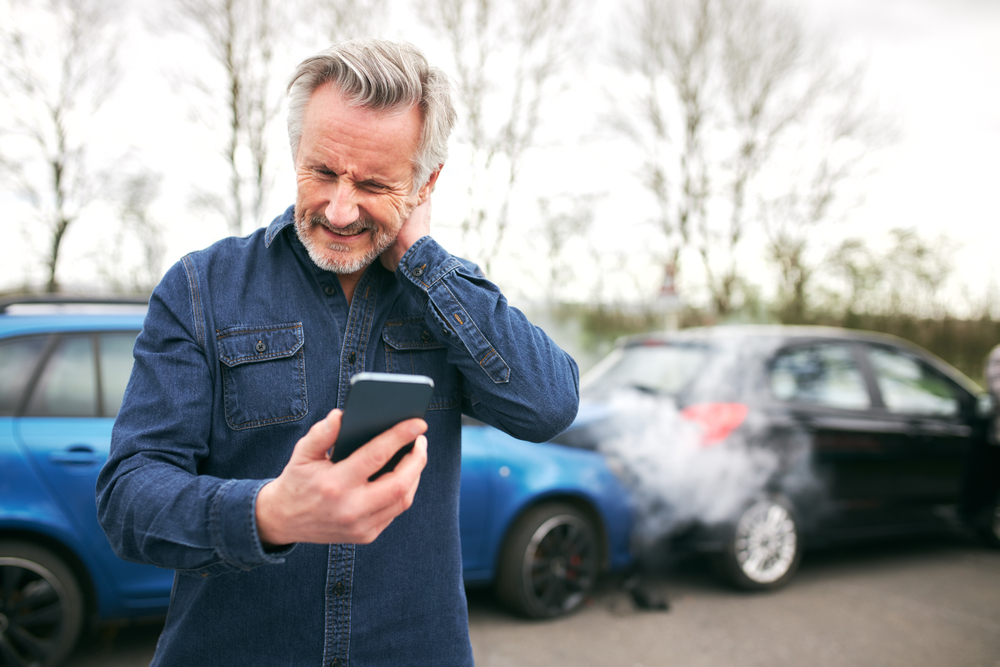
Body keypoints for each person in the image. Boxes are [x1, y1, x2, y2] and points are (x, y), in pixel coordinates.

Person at [97, 39, 579, 667]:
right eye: (322, 172)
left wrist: (423, 262)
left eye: (376, 184)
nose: (341, 208)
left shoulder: (449, 297)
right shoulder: (201, 288)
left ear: (426, 182)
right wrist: (271, 512)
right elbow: (128, 499)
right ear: (296, 153)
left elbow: (549, 405)